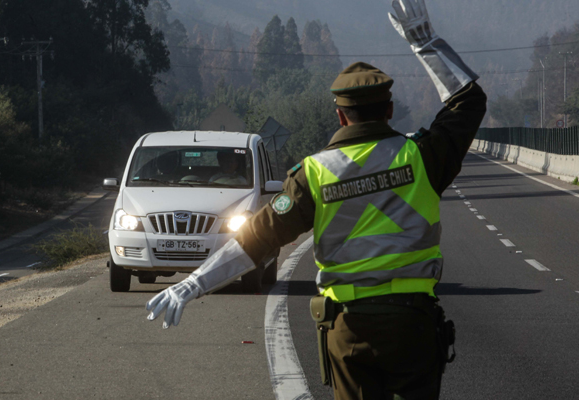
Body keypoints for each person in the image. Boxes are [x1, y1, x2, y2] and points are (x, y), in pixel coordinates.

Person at [145, 1, 487, 398]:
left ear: (341, 117)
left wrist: (192, 284)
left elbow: (256, 240)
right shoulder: (422, 156)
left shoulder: (313, 174)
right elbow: (469, 102)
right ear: (390, 109)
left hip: (349, 329)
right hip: (413, 324)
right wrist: (423, 39)